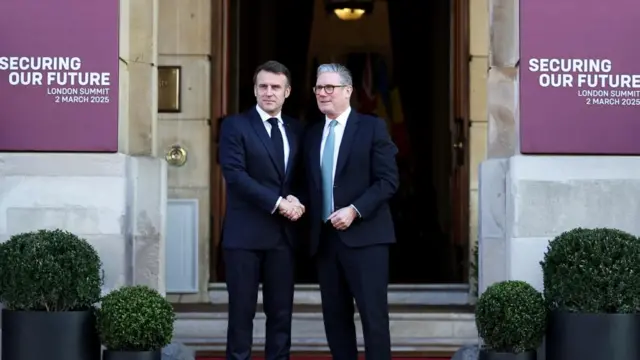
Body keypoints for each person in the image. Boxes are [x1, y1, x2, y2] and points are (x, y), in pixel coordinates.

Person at [294, 63, 399, 360]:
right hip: (325, 241)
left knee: (373, 319)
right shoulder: (312, 134)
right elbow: (308, 184)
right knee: (336, 320)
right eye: (318, 87)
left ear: (348, 91)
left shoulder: (372, 126)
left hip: (366, 239)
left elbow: (388, 181)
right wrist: (295, 200)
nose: (323, 93)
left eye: (330, 87)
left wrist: (354, 210)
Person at [219, 60, 305, 360]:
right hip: (244, 239)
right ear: (255, 90)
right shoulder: (235, 125)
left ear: (288, 91)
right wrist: (279, 203)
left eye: (275, 87)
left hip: (283, 239)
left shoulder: (297, 129)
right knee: (241, 318)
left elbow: (302, 177)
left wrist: (298, 200)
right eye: (263, 87)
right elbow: (235, 175)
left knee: (281, 317)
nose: (269, 92)